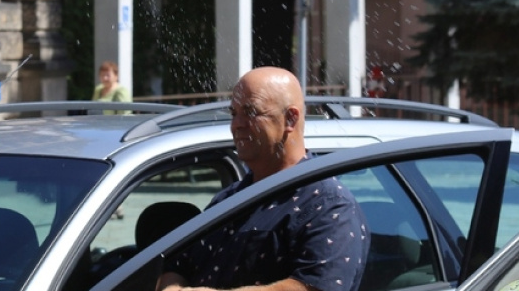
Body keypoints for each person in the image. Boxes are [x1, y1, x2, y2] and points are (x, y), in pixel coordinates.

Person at [157, 67, 370, 291]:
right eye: (234, 113)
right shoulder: (227, 199)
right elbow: (179, 265)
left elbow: (315, 287)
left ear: (290, 119)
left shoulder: (327, 205)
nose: (236, 124)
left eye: (250, 112)